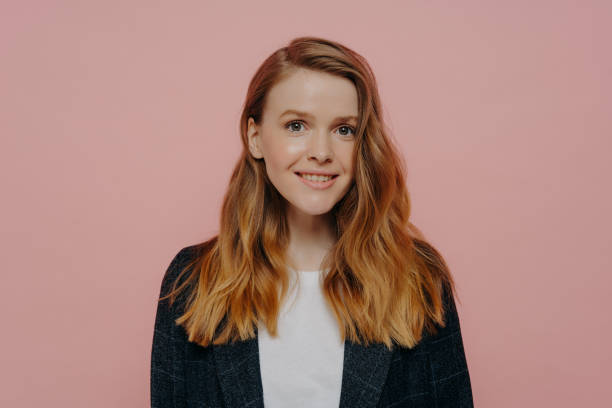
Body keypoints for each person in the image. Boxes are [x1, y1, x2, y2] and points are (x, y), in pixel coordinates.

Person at [150, 36, 474, 408]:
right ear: (255, 137)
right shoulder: (191, 281)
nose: (321, 152)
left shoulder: (418, 276)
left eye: (344, 130)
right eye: (296, 126)